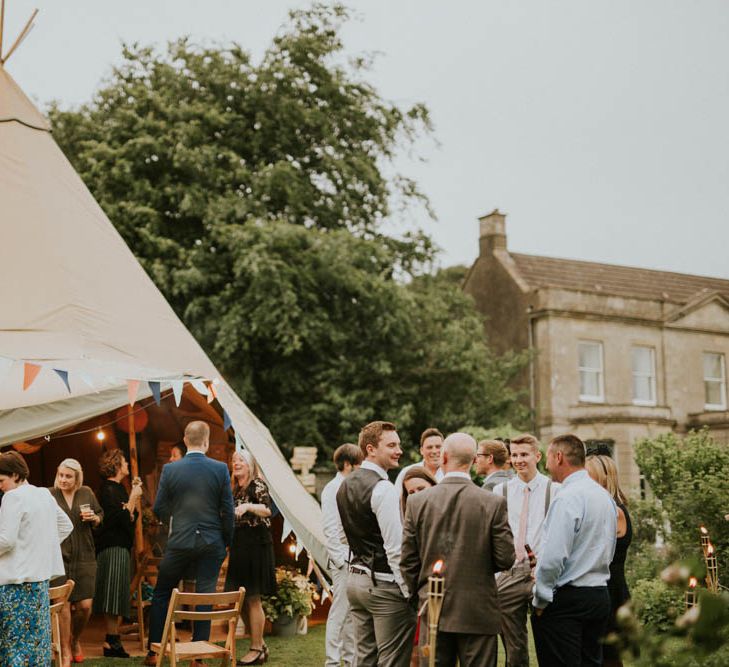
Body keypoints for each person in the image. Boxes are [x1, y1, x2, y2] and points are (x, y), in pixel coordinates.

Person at [401, 433, 515, 667]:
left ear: (443, 457)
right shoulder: (492, 503)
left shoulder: (417, 502)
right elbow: (505, 558)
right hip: (478, 609)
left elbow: (408, 562)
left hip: (433, 606)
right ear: (474, 461)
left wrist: (419, 596)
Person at [145, 421, 235, 666]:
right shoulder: (220, 469)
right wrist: (225, 541)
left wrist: (178, 522)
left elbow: (159, 508)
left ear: (185, 440)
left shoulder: (171, 470)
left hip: (180, 541)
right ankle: (198, 658)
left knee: (163, 592)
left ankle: (154, 653)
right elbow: (228, 510)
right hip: (211, 542)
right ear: (206, 442)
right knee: (204, 594)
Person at [532, 434, 617, 667]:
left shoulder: (567, 498)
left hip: (567, 600)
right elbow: (608, 549)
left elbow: (553, 558)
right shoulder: (604, 497)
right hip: (599, 595)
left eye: (548, 457)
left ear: (559, 457)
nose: (546, 465)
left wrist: (540, 599)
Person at [336, 420, 415, 667]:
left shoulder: (344, 484)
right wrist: (408, 591)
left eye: (398, 445)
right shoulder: (384, 489)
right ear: (370, 449)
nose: (399, 450)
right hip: (384, 585)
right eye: (391, 445)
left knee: (365, 660)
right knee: (392, 661)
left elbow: (342, 535)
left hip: (355, 582)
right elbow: (395, 549)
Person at [491, 434, 559, 667]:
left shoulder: (555, 490)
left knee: (550, 639)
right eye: (515, 455)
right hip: (510, 571)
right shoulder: (501, 490)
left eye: (524, 454)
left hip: (543, 572)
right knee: (514, 645)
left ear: (537, 456)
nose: (519, 460)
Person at [0, 451, 73, 666]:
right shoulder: (43, 494)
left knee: (14, 647)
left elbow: (5, 540)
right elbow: (66, 525)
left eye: (1, 480)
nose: (0, 486)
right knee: (37, 646)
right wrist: (39, 547)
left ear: (15, 475)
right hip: (39, 584)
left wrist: (33, 546)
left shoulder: (12, 497)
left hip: (15, 585)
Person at [49, 458, 103, 665]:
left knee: (85, 606)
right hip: (59, 557)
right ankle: (64, 650)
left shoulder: (86, 493)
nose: (63, 479)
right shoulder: (49, 494)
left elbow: (100, 515)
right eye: (61, 475)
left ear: (77, 478)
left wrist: (94, 519)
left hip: (85, 556)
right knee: (62, 605)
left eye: (68, 476)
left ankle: (75, 640)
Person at [225, 449, 276, 666]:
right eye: (234, 460)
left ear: (250, 465)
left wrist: (248, 506)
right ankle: (260, 644)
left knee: (253, 597)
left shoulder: (257, 485)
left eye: (241, 460)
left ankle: (255, 648)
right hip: (240, 546)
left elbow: (267, 510)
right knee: (243, 597)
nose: (236, 463)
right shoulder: (235, 489)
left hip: (256, 545)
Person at [93, 449, 143, 658]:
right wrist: (132, 498)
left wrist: (130, 499)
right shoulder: (108, 489)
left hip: (121, 547)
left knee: (117, 594)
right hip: (111, 548)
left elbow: (131, 516)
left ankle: (112, 640)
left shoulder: (119, 489)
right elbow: (118, 518)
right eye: (124, 462)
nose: (127, 465)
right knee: (112, 594)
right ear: (115, 465)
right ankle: (111, 641)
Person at [586, 455, 632, 667]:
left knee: (609, 656)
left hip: (610, 589)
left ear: (604, 479)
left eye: (588, 477)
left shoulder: (614, 511)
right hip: (603, 587)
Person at [321, 443, 363, 667]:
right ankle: (333, 662)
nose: (361, 468)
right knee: (339, 613)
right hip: (342, 561)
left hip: (355, 559)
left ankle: (351, 659)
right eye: (358, 464)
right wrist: (342, 561)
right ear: (347, 464)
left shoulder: (350, 487)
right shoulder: (332, 489)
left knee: (351, 614)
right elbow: (330, 529)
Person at [399, 466, 438, 667]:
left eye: (421, 489)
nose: (416, 496)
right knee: (417, 655)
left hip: (447, 596)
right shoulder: (409, 519)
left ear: (433, 486)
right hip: (421, 596)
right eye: (411, 493)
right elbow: (407, 562)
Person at [394, 427, 445, 497]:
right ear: (421, 450)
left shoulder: (450, 473)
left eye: (438, 447)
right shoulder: (406, 472)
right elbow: (397, 500)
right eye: (429, 447)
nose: (434, 451)